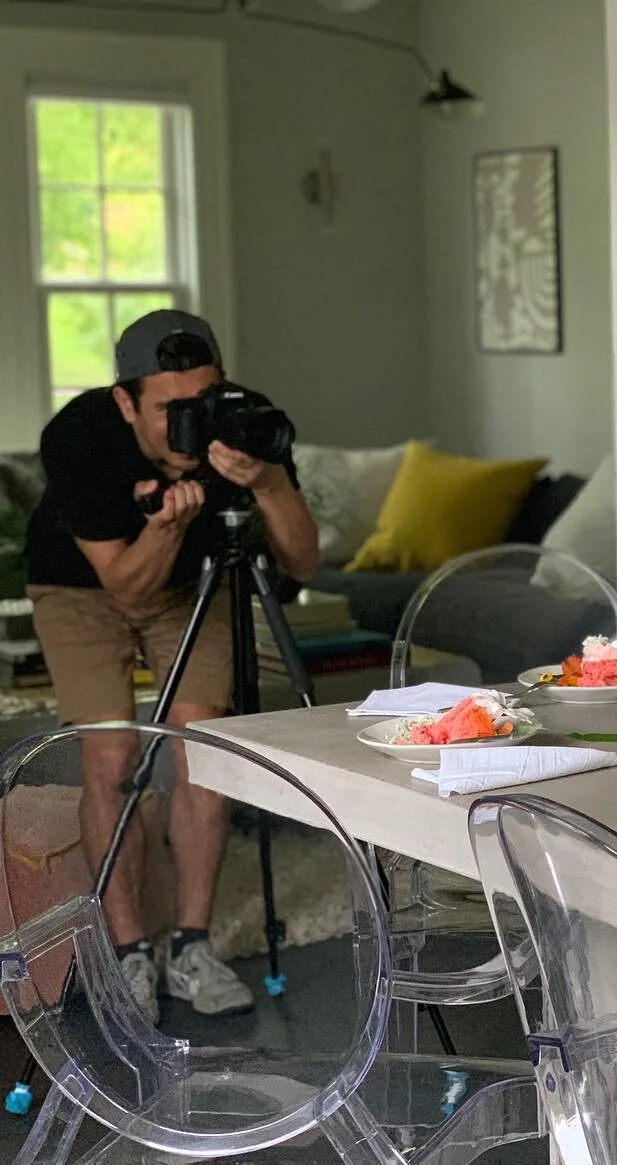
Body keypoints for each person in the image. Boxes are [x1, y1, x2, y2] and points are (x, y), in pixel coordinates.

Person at [25, 309, 319, 1023]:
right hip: (83, 586)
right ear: (125, 402)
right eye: (169, 408)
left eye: (205, 396)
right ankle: (128, 950)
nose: (193, 420)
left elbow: (303, 563)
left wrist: (269, 482)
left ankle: (192, 944)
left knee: (202, 746)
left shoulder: (241, 421)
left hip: (194, 582)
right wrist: (166, 524)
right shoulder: (80, 436)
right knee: (111, 754)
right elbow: (125, 586)